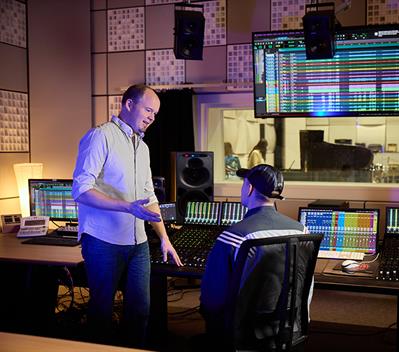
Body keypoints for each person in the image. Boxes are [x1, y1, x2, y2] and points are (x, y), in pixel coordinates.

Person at [72, 84, 182, 347]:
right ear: (128, 105)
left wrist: (165, 238)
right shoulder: (100, 136)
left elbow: (150, 197)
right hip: (102, 241)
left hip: (138, 244)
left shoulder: (142, 148)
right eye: (148, 110)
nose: (151, 117)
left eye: (155, 114)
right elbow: (81, 190)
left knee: (140, 312)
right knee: (101, 312)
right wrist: (126, 207)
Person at [199, 164, 309, 350]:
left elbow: (212, 300)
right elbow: (306, 287)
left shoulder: (234, 236)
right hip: (289, 330)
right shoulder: (302, 231)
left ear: (249, 188)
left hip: (243, 335)